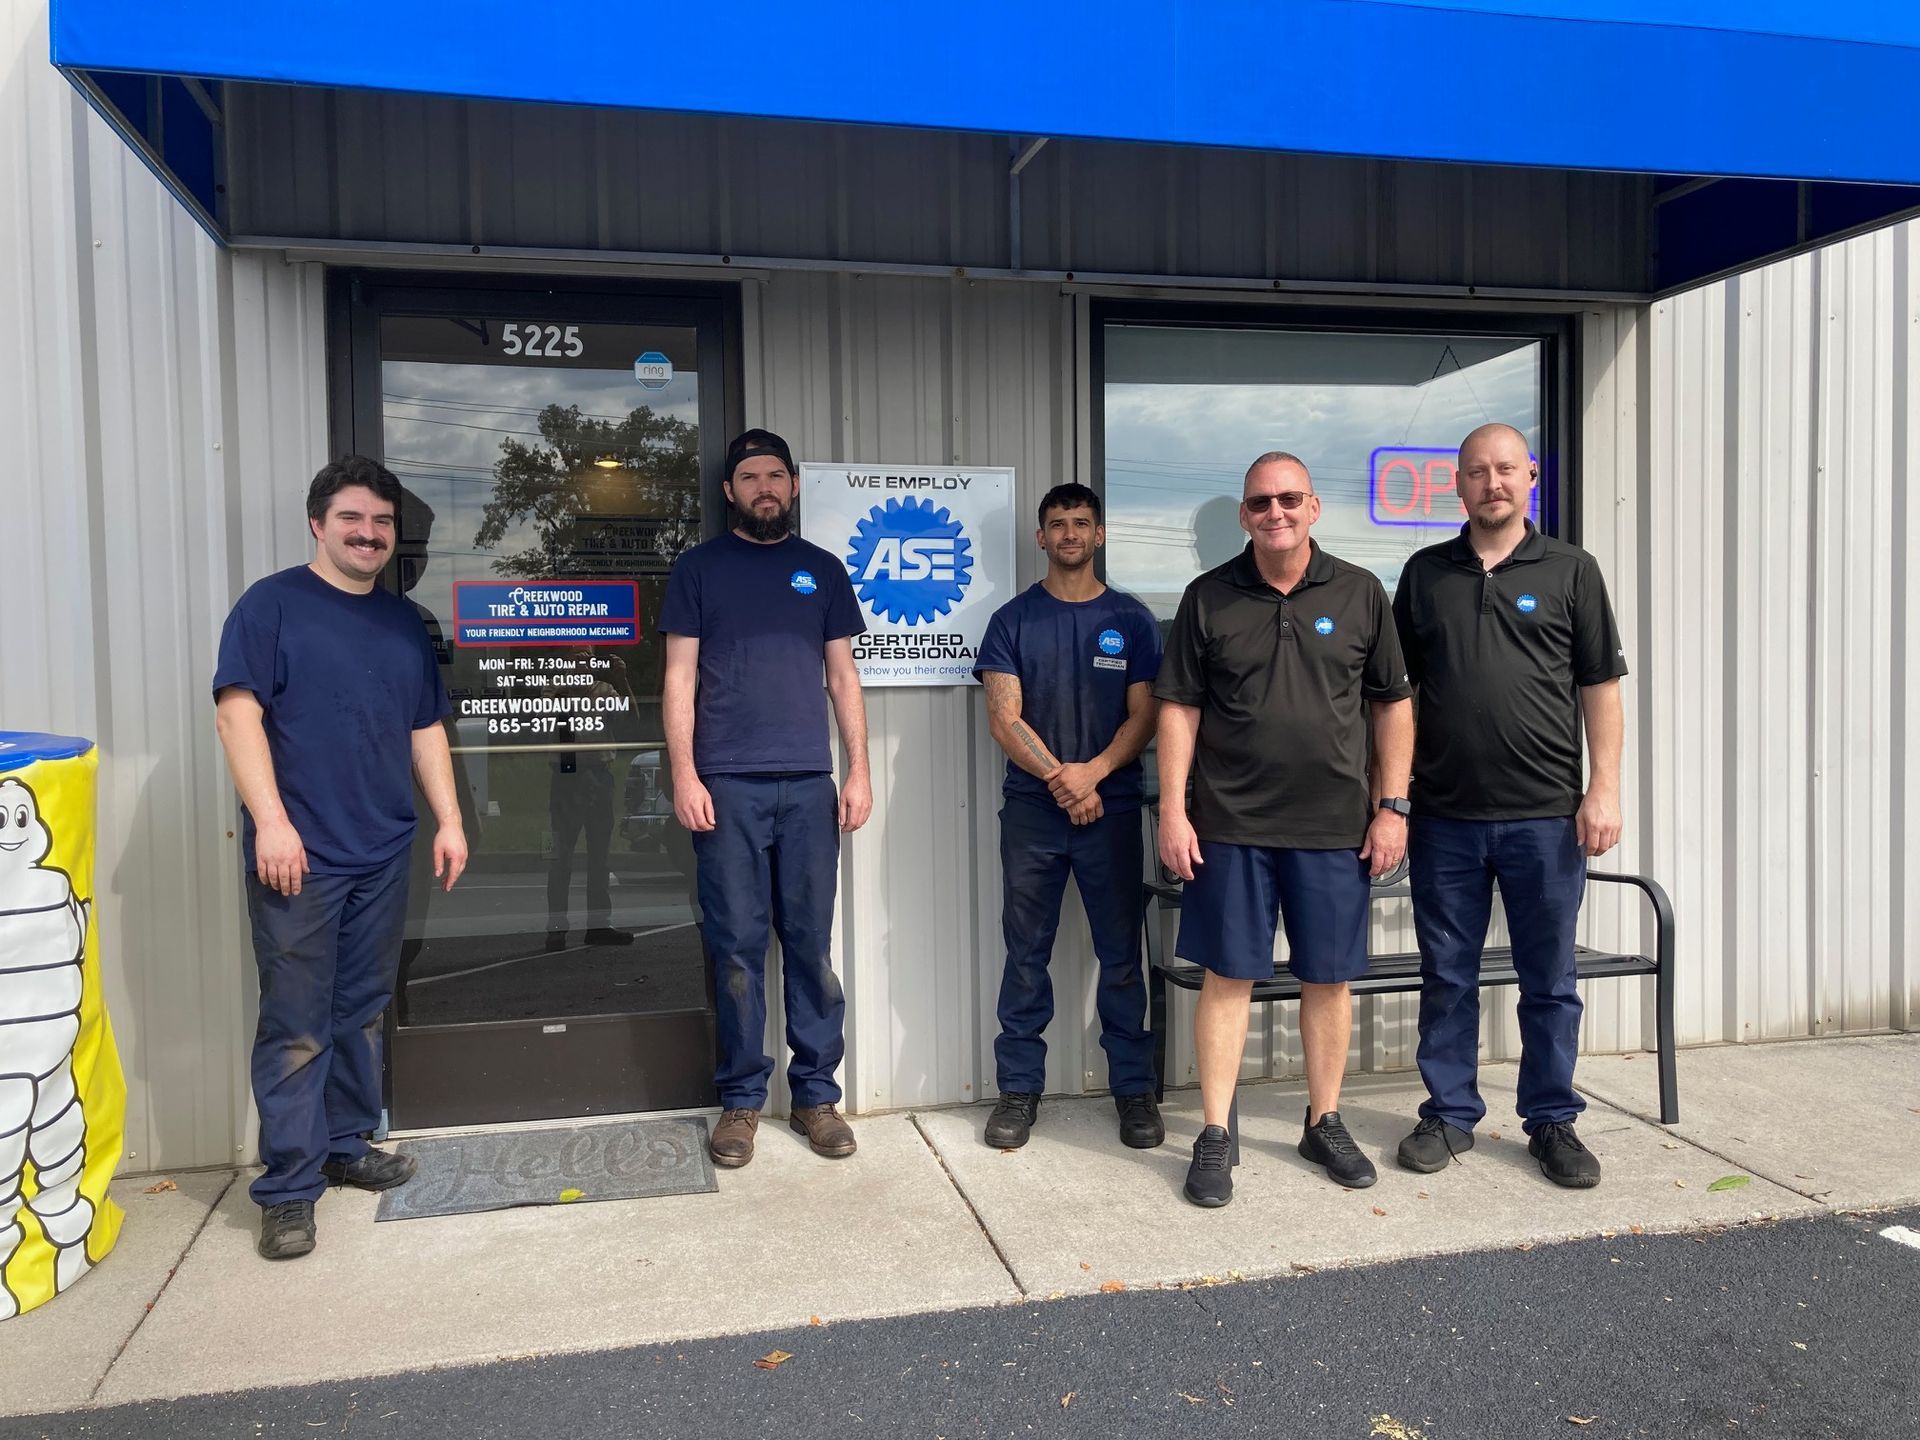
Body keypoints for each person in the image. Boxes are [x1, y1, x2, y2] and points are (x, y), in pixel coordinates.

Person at [213, 455, 468, 1260]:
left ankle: (346, 1144)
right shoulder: (272, 606)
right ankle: (288, 1190)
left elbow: (424, 728)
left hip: (384, 848)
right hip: (301, 854)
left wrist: (450, 821)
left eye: (383, 523)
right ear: (319, 524)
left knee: (358, 1009)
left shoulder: (400, 622)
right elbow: (237, 715)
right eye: (354, 519)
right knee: (295, 1022)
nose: (369, 534)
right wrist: (272, 825)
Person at [1155, 453, 1414, 1207]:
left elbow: (1392, 705)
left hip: (1334, 827)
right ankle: (1214, 1135)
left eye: (1289, 499)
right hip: (1228, 825)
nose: (1276, 512)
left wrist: (1391, 806)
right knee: (1227, 977)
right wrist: (1174, 810)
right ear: (1243, 516)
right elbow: (1179, 709)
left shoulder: (1361, 593)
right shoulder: (1208, 598)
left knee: (1327, 979)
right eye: (1261, 502)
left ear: (1314, 507)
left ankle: (1323, 1120)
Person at [1391, 423, 1628, 1189]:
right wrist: (1390, 799)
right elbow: (1395, 699)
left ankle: (1552, 1121)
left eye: (1505, 470)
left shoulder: (1571, 570)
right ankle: (1450, 1114)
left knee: (1549, 979)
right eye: (1475, 472)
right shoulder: (1425, 575)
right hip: (1444, 817)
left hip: (1545, 818)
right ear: (1455, 485)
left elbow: (1601, 687)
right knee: (1447, 974)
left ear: (1531, 477)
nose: (1492, 483)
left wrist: (1605, 789)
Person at [659, 428, 872, 1169]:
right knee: (738, 950)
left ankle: (816, 1096)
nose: (765, 488)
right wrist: (685, 774)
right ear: (730, 491)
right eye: (750, 477)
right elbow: (679, 679)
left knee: (810, 948)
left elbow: (843, 678)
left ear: (794, 485)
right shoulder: (698, 570)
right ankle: (742, 1102)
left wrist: (860, 770)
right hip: (727, 789)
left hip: (809, 784)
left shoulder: (822, 571)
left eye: (775, 475)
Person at [974, 483, 1163, 1151]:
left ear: (1100, 534)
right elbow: (1004, 717)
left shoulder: (1132, 621)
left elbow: (1146, 715)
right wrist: (1064, 780)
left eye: (1081, 523)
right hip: (1033, 816)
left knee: (1119, 958)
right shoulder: (1013, 621)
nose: (1070, 534)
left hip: (1110, 814)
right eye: (1058, 524)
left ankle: (1134, 1091)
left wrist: (1095, 774)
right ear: (1041, 538)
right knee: (1027, 955)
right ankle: (1018, 1089)